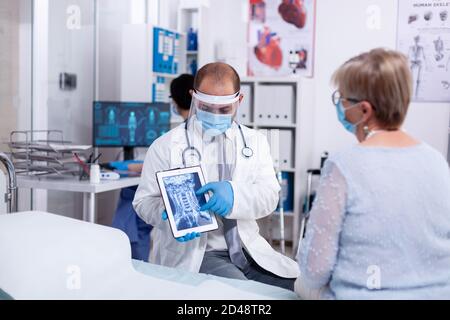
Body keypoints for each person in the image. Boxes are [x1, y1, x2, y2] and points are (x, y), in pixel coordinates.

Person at [295, 48, 450, 299]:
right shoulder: (436, 161)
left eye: (342, 98)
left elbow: (315, 270)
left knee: (302, 284)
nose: (339, 104)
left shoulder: (343, 165)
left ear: (364, 111)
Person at [133, 62, 299, 291]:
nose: (215, 115)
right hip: (200, 254)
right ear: (193, 97)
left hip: (248, 250)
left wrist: (234, 195)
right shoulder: (165, 146)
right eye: (206, 107)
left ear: (239, 101)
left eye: (224, 110)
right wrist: (166, 215)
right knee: (243, 297)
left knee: (299, 289)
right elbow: (143, 201)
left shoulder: (255, 142)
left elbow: (270, 197)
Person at [111, 74, 194, 261]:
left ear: (174, 102)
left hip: (180, 214)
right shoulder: (183, 134)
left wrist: (137, 167)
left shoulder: (178, 137)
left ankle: (128, 257)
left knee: (130, 197)